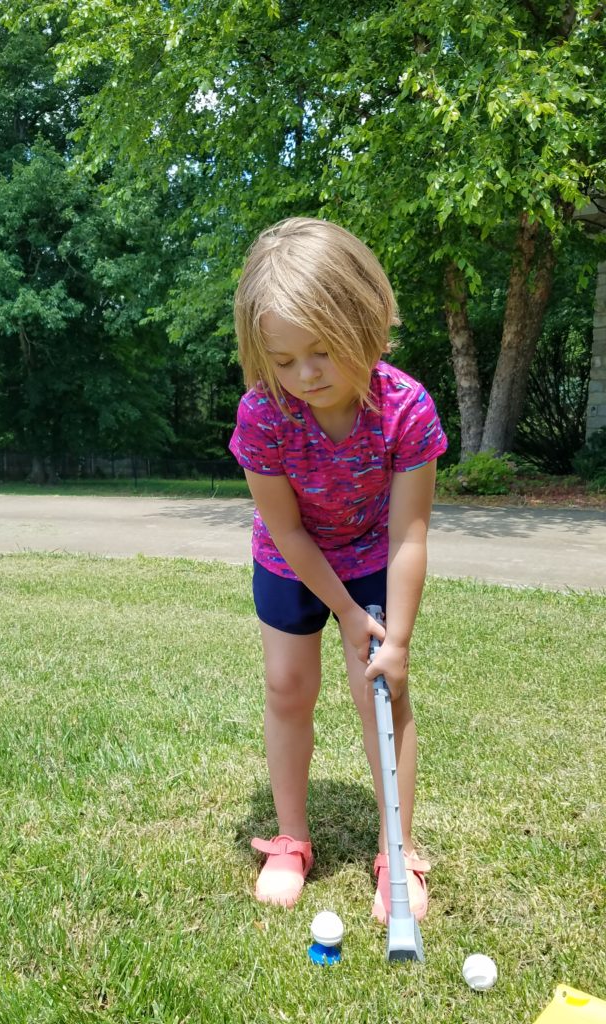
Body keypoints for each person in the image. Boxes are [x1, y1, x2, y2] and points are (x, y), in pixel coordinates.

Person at [228, 217, 448, 922]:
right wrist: (348, 615)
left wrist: (396, 637)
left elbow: (409, 533)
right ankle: (291, 839)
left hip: (374, 555)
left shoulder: (405, 408)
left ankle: (397, 849)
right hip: (291, 560)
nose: (305, 376)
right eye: (284, 359)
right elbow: (286, 528)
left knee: (381, 693)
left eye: (322, 352)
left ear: (369, 323)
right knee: (288, 686)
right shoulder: (263, 414)